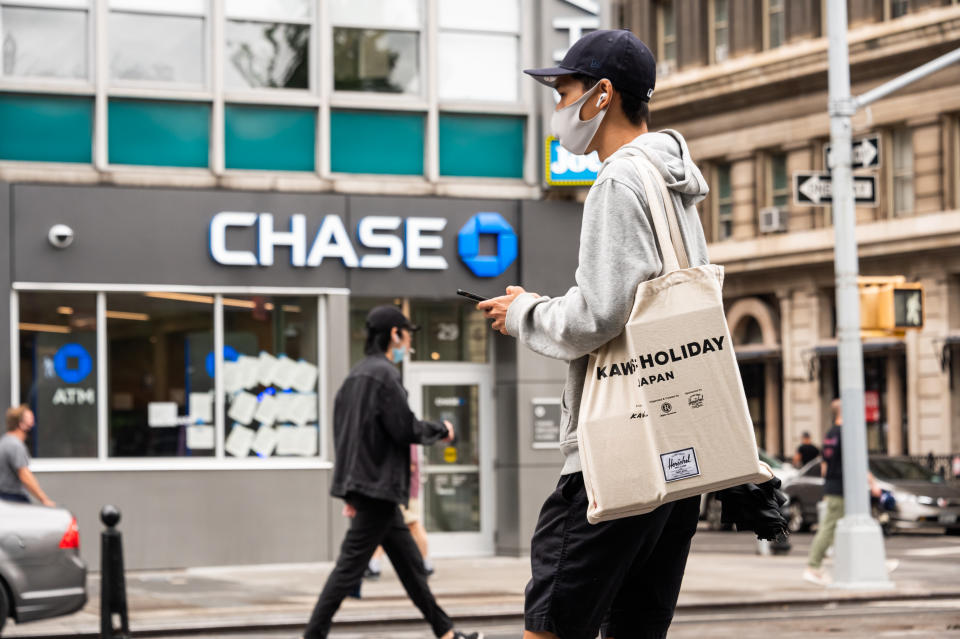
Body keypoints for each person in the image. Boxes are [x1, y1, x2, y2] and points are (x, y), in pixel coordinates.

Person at [479, 29, 710, 639]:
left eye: (565, 90)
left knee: (551, 625)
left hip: (617, 454)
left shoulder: (618, 180)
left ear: (602, 95)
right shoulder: (674, 183)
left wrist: (525, 312)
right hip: (677, 451)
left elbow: (600, 315)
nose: (557, 106)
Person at [303, 306, 481, 639]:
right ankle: (313, 634)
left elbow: (344, 435)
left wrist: (349, 489)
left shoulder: (354, 377)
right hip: (378, 489)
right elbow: (403, 428)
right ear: (395, 334)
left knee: (412, 568)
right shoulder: (385, 375)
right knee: (348, 569)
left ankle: (445, 631)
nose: (409, 343)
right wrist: (441, 429)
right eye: (407, 335)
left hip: (370, 489)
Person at [803, 398, 880, 586]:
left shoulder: (831, 433)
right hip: (844, 490)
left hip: (834, 486)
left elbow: (824, 466)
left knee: (844, 528)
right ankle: (814, 567)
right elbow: (857, 462)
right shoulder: (847, 433)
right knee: (833, 528)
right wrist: (873, 483)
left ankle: (870, 564)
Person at [1, 405, 55, 506]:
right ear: (21, 424)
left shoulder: (4, 441)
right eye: (30, 420)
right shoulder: (15, 446)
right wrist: (44, 499)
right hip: (14, 499)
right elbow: (25, 475)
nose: (34, 424)